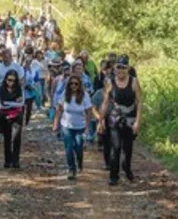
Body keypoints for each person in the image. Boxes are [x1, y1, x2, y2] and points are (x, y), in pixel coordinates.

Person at [99, 56, 142, 185]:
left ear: (128, 68)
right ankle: (113, 176)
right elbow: (105, 103)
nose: (121, 70)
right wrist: (101, 121)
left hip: (130, 118)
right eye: (118, 67)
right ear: (114, 68)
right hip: (114, 118)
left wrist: (138, 121)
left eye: (123, 67)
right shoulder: (110, 82)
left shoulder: (134, 82)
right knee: (115, 147)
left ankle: (127, 168)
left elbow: (139, 102)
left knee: (128, 148)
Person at [52, 74, 97, 180]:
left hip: (80, 127)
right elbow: (59, 110)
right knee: (68, 148)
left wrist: (87, 127)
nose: (73, 85)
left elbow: (89, 111)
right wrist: (55, 124)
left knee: (78, 147)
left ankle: (79, 161)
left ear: (79, 85)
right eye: (71, 83)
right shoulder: (64, 94)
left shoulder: (84, 95)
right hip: (66, 125)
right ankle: (71, 169)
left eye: (76, 84)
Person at [0, 48, 25, 142]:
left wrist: (20, 93)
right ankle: (0, 130)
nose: (6, 58)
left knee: (15, 111)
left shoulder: (17, 67)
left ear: (11, 56)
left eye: (7, 56)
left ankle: (14, 129)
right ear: (2, 57)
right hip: (1, 93)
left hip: (14, 93)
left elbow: (22, 79)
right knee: (0, 112)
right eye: (4, 56)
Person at [0, 70, 25, 168]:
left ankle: (16, 160)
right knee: (7, 138)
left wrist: (9, 102)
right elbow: (2, 104)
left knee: (17, 138)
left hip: (17, 115)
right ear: (5, 79)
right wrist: (14, 101)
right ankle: (7, 160)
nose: (11, 82)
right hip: (4, 116)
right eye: (9, 80)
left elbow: (21, 103)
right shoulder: (1, 88)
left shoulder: (19, 88)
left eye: (13, 80)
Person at [23, 48, 44, 124]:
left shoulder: (34, 69)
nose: (28, 62)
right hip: (23, 91)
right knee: (22, 107)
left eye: (29, 60)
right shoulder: (21, 69)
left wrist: (36, 88)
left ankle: (26, 122)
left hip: (31, 91)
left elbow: (36, 80)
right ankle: (21, 121)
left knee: (29, 107)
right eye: (27, 61)